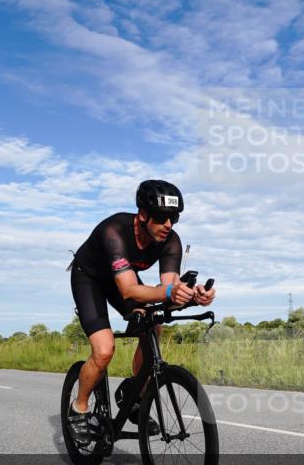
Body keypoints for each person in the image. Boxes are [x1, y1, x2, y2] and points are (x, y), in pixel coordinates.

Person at [67, 180, 215, 441]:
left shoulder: (170, 240)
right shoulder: (114, 231)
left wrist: (193, 297)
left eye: (174, 218)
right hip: (89, 279)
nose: (168, 224)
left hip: (123, 280)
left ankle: (132, 392)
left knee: (153, 321)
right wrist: (169, 292)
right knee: (103, 351)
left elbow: (169, 292)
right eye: (162, 218)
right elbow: (128, 291)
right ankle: (78, 409)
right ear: (143, 215)